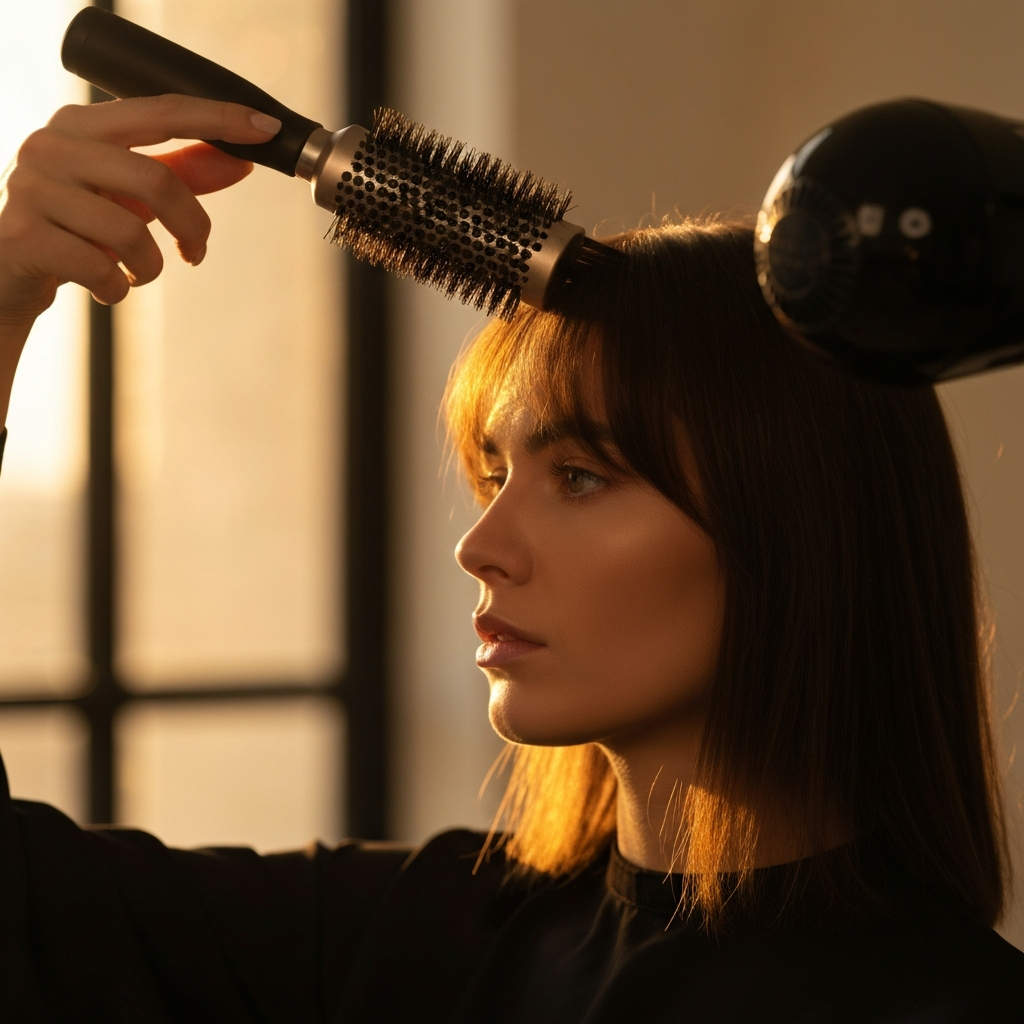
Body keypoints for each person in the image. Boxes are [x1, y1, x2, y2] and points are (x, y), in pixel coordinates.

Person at [0, 95, 1022, 1024]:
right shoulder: (430, 942)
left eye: (580, 476)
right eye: (497, 474)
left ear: (799, 525)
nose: (479, 546)